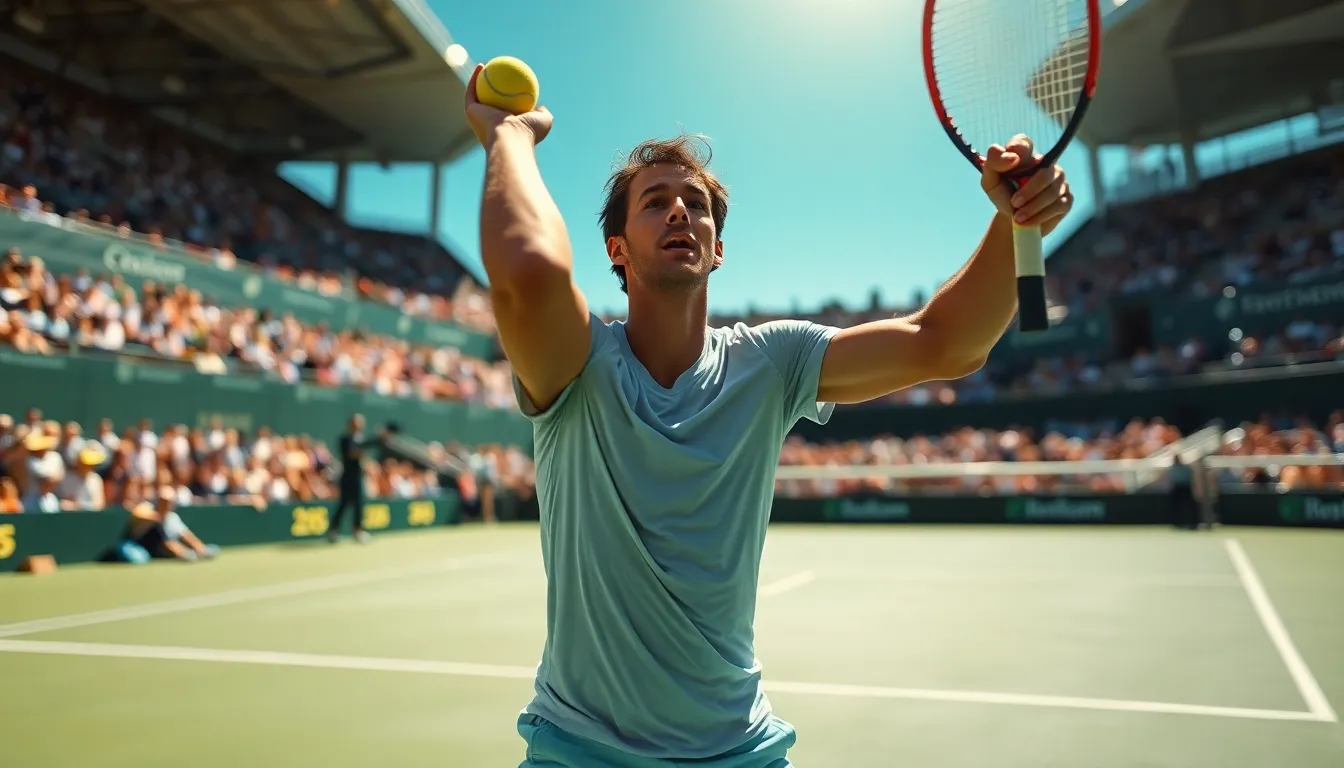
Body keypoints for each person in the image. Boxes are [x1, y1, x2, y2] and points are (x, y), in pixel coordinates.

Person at [464, 63, 1074, 767]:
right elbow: (531, 272)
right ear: (617, 250)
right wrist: (508, 135)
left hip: (740, 751)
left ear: (718, 249)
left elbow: (947, 344)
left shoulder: (770, 363)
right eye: (655, 202)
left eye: (694, 203)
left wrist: (1012, 220)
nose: (680, 212)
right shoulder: (575, 362)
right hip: (579, 751)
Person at [329, 414, 371, 544]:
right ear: (350, 424)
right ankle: (333, 530)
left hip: (358, 475)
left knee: (359, 503)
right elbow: (351, 455)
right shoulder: (344, 439)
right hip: (347, 476)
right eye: (356, 423)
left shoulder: (361, 439)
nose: (358, 425)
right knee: (344, 503)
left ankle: (358, 531)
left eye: (360, 423)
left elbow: (362, 457)